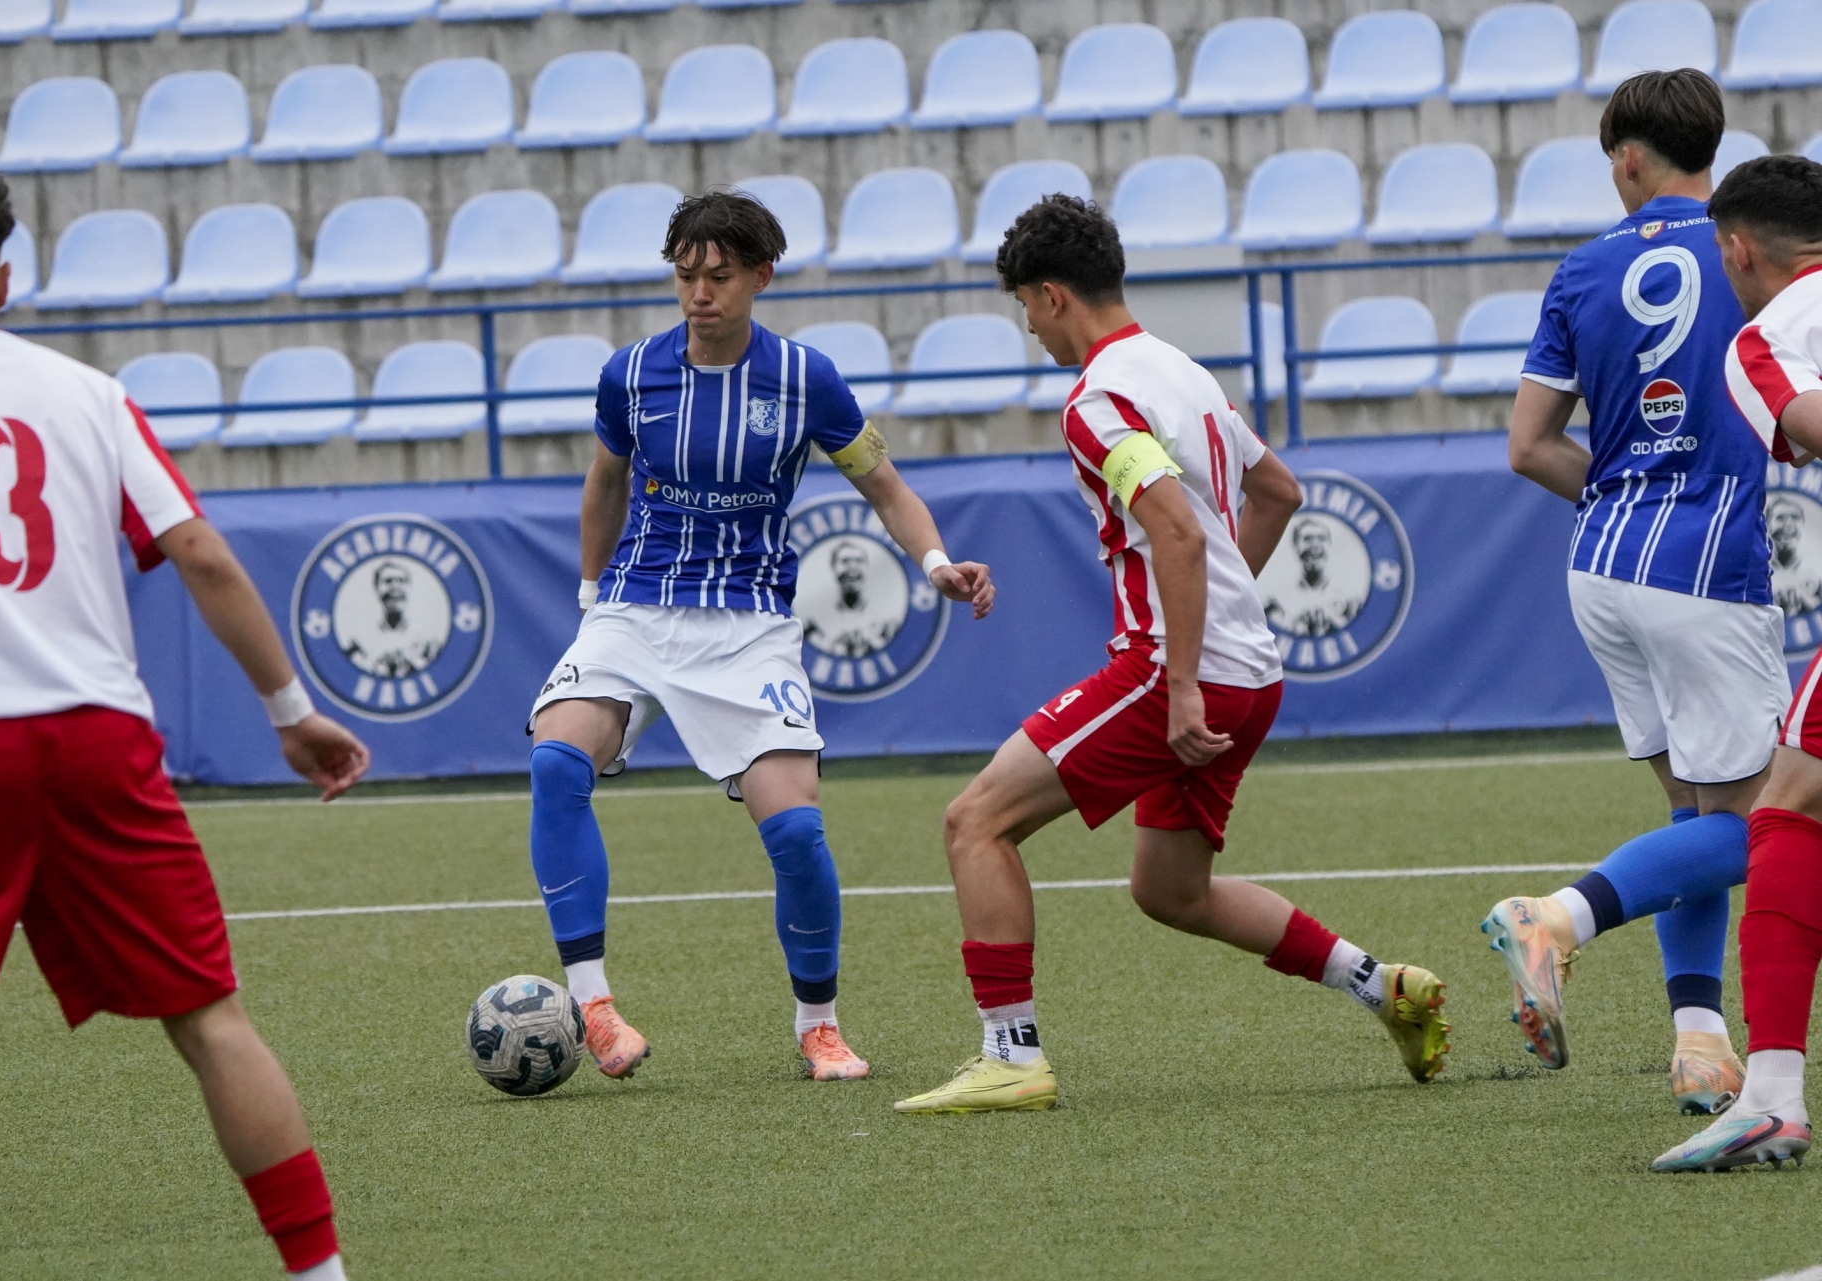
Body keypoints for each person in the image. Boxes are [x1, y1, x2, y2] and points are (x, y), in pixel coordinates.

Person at [0, 162, 372, 1279]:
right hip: (97, 738)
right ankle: (321, 1274)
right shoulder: (86, 392)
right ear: (3, 278)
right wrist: (292, 711)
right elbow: (198, 551)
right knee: (211, 1020)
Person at [893, 195, 1452, 1115]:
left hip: (1174, 673)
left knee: (975, 821)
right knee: (1171, 888)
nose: (1028, 328)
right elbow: (1279, 491)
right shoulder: (1183, 372)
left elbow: (1179, 536)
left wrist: (1183, 678)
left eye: (1025, 307)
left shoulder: (1098, 400)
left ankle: (1010, 1054)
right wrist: (1220, 622)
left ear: (1052, 294)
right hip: (1250, 674)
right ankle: (1380, 984)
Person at [525, 189, 995, 1084]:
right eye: (686, 275)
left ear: (761, 277)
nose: (699, 293)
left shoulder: (805, 378)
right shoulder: (630, 374)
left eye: (720, 276)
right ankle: (593, 1004)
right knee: (556, 762)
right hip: (636, 607)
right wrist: (591, 598)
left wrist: (935, 561)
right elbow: (604, 485)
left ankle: (819, 1025)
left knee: (798, 835)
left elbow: (886, 486)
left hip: (748, 626)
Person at [1488, 70, 1784, 1112]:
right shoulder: (1750, 251)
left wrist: (1625, 496)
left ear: (1626, 159)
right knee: (1772, 823)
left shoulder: (1580, 269)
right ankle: (1557, 918)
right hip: (1707, 566)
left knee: (1692, 813)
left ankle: (1700, 1043)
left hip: (1602, 563)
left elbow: (1529, 445)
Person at [1654, 153, 1822, 1172]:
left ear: (1737, 249)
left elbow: (1807, 424)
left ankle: (1771, 1100)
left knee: (1786, 807)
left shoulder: (1768, 334)